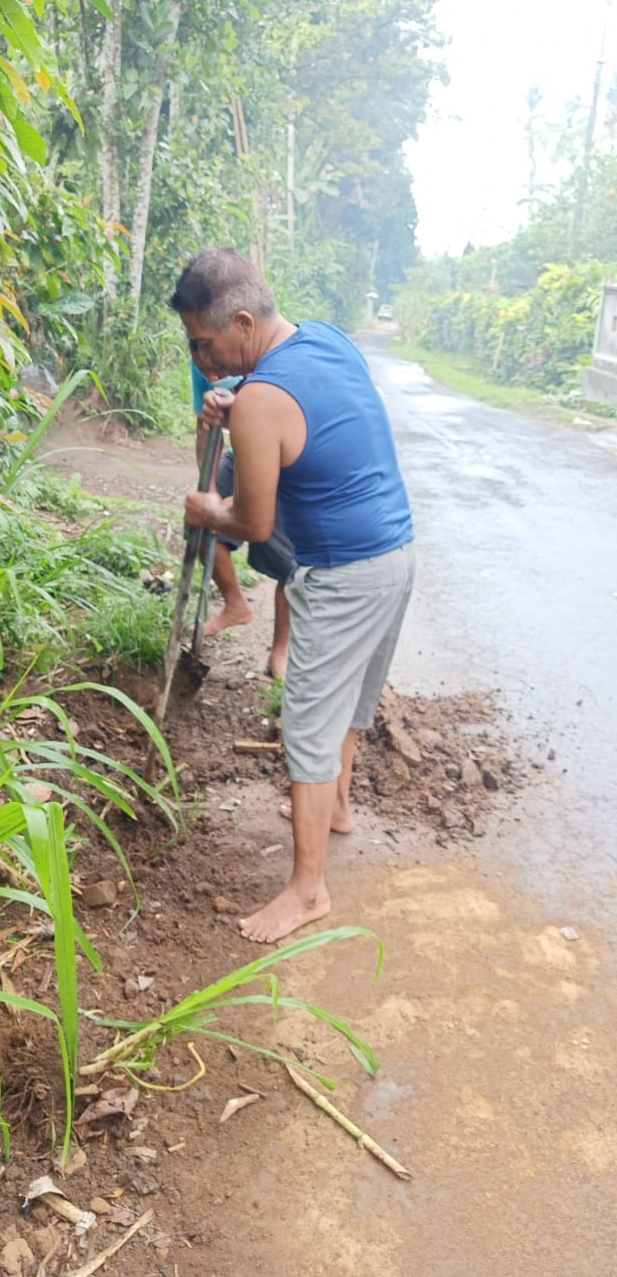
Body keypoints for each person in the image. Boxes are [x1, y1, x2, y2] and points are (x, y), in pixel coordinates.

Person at [171, 249, 415, 945]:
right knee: (348, 702)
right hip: (396, 553)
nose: (202, 359)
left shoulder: (260, 403)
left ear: (241, 320)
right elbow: (305, 408)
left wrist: (202, 509)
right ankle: (335, 809)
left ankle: (308, 892)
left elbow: (253, 525)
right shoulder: (325, 339)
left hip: (342, 574)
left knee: (307, 722)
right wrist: (240, 393)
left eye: (205, 344)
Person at [191, 360, 292, 679]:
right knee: (197, 524)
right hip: (241, 453)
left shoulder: (273, 362)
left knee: (287, 562)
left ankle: (281, 650)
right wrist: (210, 499)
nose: (209, 372)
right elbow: (206, 430)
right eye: (197, 348)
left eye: (211, 350)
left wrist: (249, 500)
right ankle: (235, 605)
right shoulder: (202, 360)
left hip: (286, 457)